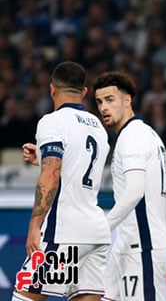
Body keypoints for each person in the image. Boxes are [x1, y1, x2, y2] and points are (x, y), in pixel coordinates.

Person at [13, 61, 111, 300]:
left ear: (52, 89)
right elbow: (76, 166)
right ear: (84, 92)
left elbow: (51, 174)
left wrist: (35, 226)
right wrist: (44, 156)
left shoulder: (52, 121)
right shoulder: (99, 127)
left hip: (64, 232)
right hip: (95, 232)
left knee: (23, 296)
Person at [92, 71, 166, 301]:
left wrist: (103, 228)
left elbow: (134, 191)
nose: (104, 107)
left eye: (110, 100)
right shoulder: (148, 134)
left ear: (127, 100)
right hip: (128, 244)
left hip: (142, 246)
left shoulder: (131, 137)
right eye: (99, 102)